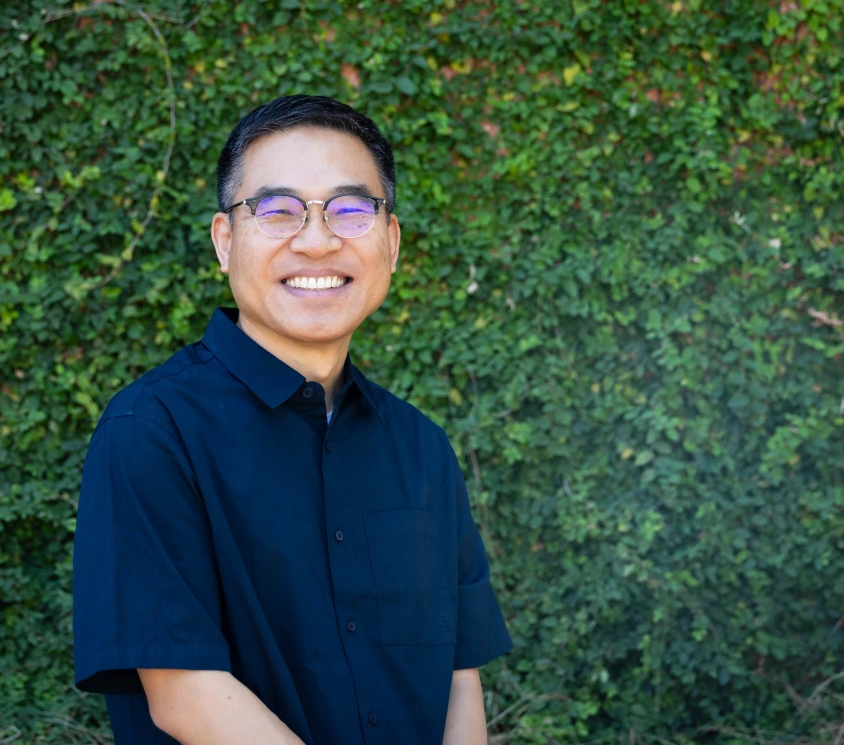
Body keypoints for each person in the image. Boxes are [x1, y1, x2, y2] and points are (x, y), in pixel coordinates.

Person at [71, 94, 513, 744]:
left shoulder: (422, 449)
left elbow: (456, 678)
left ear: (390, 243)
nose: (316, 239)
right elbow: (184, 694)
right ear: (226, 241)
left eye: (351, 209)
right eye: (277, 210)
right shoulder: (152, 430)